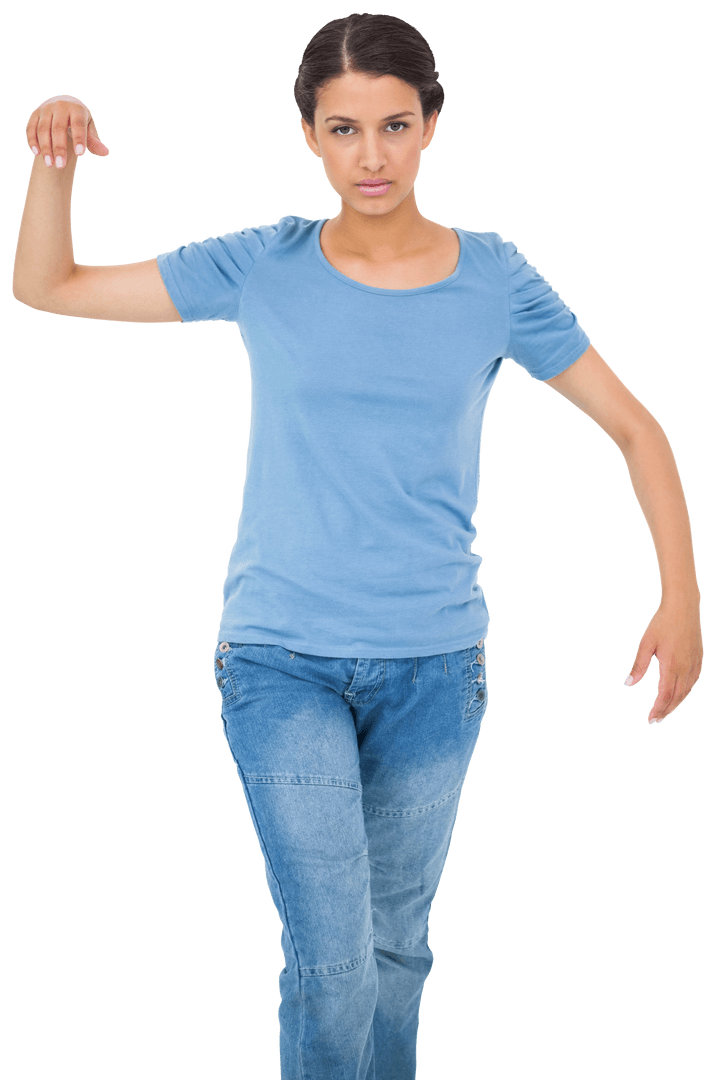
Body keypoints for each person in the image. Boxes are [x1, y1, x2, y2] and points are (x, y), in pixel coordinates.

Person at [12, 12, 703, 1080]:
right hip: (278, 655)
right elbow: (48, 287)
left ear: (430, 125)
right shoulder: (261, 263)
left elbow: (634, 426)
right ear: (307, 134)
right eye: (341, 129)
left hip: (434, 668)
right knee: (332, 963)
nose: (369, 156)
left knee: (395, 951)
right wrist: (52, 162)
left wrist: (680, 600)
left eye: (391, 125)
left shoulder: (495, 277)